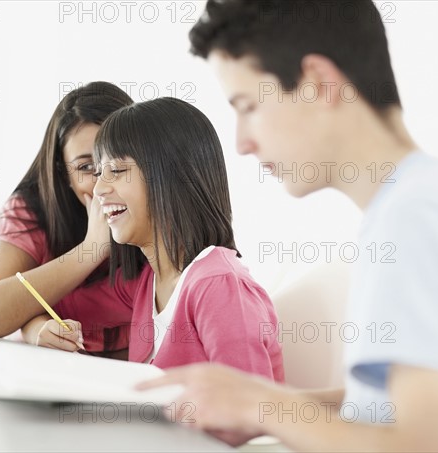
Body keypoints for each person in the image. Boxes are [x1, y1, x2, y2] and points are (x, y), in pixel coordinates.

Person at [138, 1, 438, 451]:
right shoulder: (412, 203)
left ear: (317, 84)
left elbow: (427, 444)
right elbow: (391, 403)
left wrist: (260, 407)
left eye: (247, 105)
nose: (242, 143)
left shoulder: (413, 218)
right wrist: (259, 401)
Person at [32, 97, 284, 380]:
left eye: (115, 170)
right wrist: (44, 331)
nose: (99, 188)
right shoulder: (145, 283)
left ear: (169, 176)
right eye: (98, 172)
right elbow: (41, 303)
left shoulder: (218, 287)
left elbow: (248, 413)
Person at [0, 82, 135, 355]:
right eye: (87, 167)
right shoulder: (34, 210)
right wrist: (90, 250)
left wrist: (30, 321)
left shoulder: (154, 217)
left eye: (116, 164)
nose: (102, 185)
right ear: (64, 174)